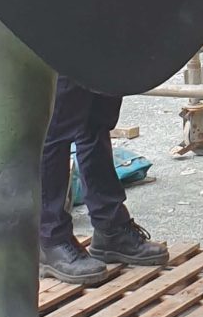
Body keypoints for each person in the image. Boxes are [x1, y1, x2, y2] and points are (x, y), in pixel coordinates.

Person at [39, 75, 168, 285]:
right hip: (65, 45)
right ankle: (51, 239)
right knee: (58, 125)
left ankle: (110, 226)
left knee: (97, 119)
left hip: (102, 46)